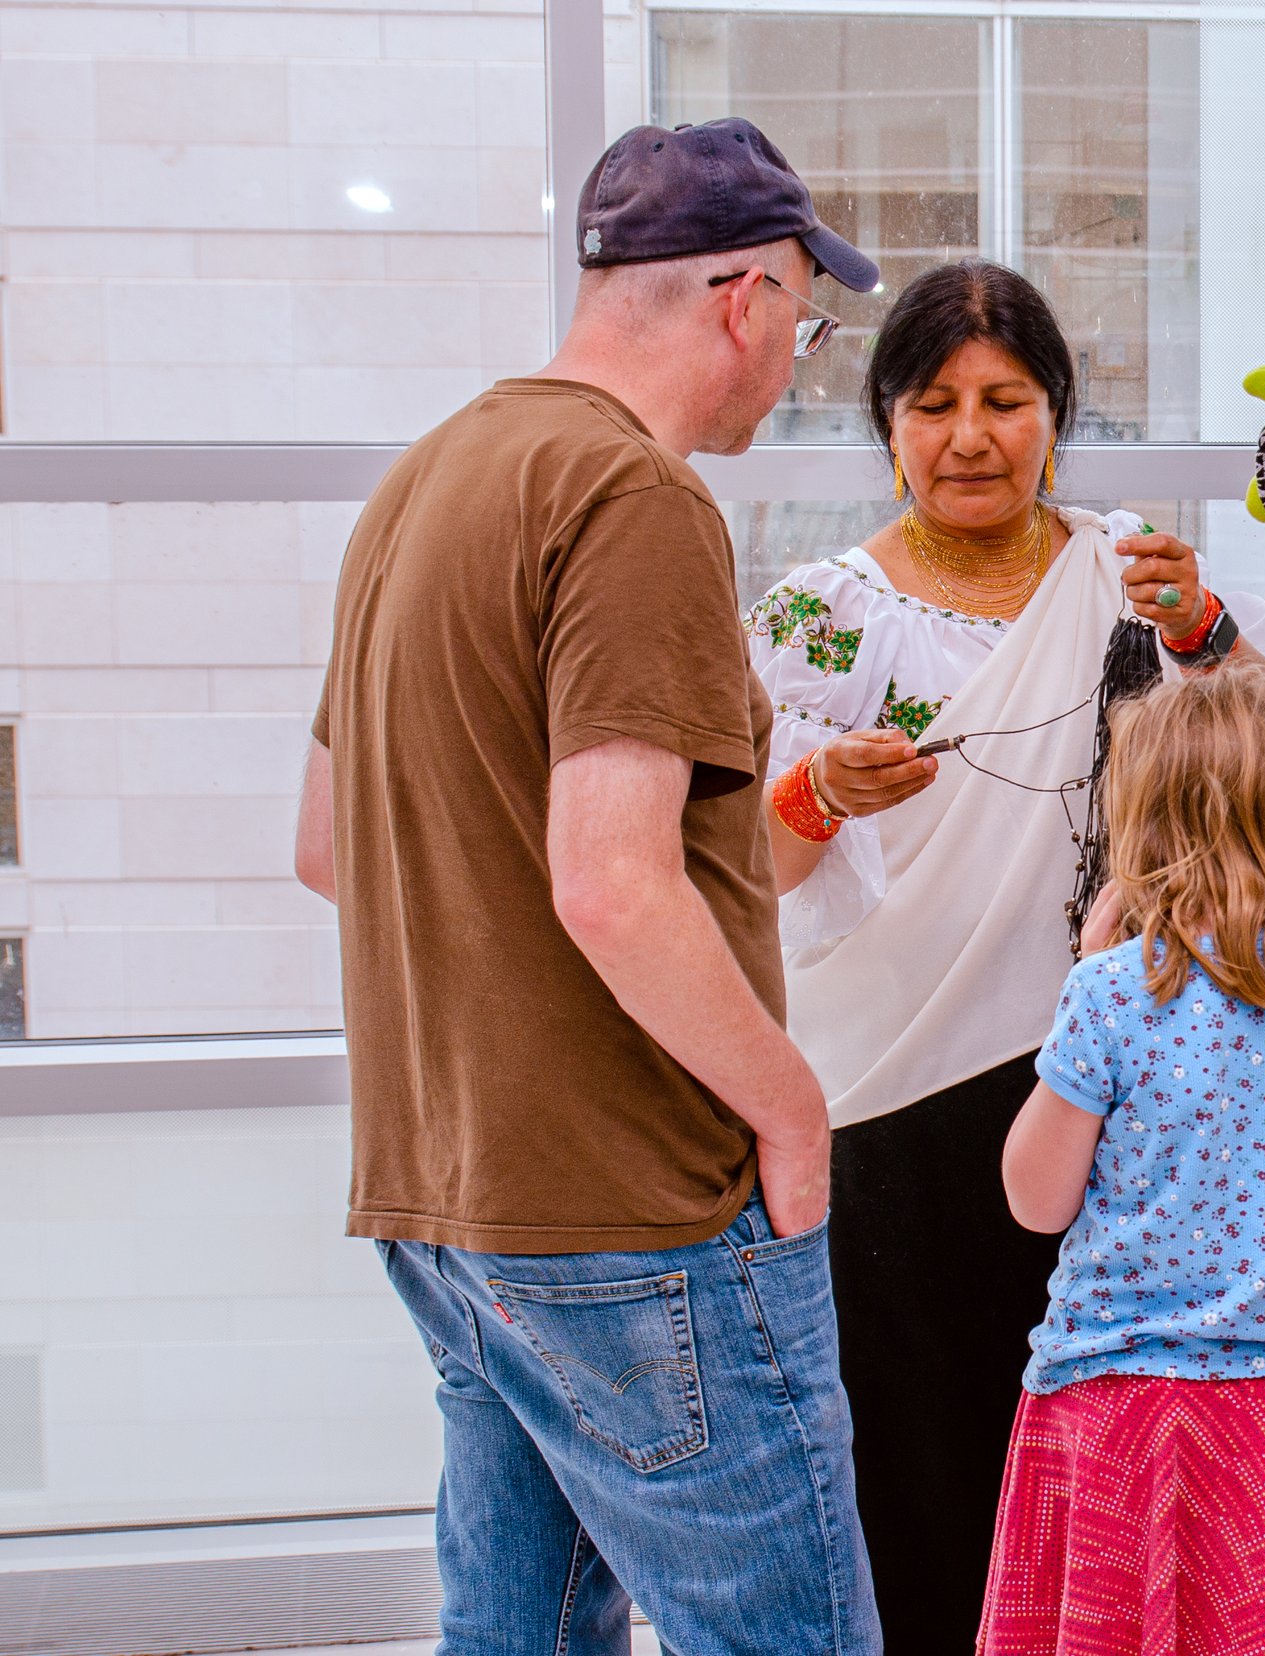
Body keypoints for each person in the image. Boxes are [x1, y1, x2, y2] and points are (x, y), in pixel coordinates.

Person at [294, 118, 882, 1654]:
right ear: (745, 297)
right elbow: (615, 886)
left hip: (450, 1202)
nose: (798, 365)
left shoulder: (425, 482)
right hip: (638, 1217)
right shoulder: (634, 499)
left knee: (523, 1636)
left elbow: (326, 847)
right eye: (809, 327)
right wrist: (792, 1107)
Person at [746, 258, 1265, 1643]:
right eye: (933, 402)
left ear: (1054, 414)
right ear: (885, 423)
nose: (970, 436)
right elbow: (740, 864)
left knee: (1084, 1439)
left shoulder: (1125, 570)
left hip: (1105, 1089)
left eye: (1006, 401)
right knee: (912, 1435)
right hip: (883, 1089)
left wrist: (1200, 624)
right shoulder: (827, 613)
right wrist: (818, 793)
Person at [981, 663, 1265, 1654]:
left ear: (1145, 818)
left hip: (1118, 1402)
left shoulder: (1114, 992)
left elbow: (1036, 1202)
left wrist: (1083, 978)